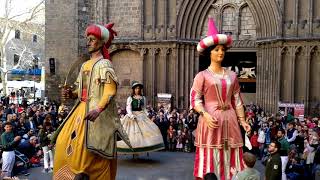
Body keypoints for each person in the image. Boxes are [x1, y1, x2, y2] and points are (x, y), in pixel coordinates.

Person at [52, 23, 131, 180]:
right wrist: (70, 94)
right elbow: (80, 91)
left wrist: (99, 109)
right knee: (62, 142)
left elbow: (110, 90)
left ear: (101, 42)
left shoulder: (104, 64)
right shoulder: (84, 65)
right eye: (87, 39)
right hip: (79, 111)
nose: (88, 42)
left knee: (88, 152)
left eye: (92, 39)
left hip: (95, 114)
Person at [190, 17, 251, 180]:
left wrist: (243, 120)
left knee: (230, 151)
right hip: (210, 120)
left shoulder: (232, 75)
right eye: (216, 49)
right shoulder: (201, 76)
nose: (220, 52)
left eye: (222, 49)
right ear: (209, 52)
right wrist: (204, 114)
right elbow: (195, 99)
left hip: (230, 119)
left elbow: (237, 100)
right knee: (211, 152)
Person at [117, 81, 164, 154]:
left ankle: (145, 146)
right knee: (132, 133)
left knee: (150, 129)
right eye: (136, 88)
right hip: (132, 115)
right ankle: (133, 148)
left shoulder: (143, 98)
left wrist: (147, 114)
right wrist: (131, 115)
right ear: (133, 89)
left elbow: (144, 108)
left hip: (141, 115)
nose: (137, 90)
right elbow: (128, 108)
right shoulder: (130, 98)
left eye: (138, 88)